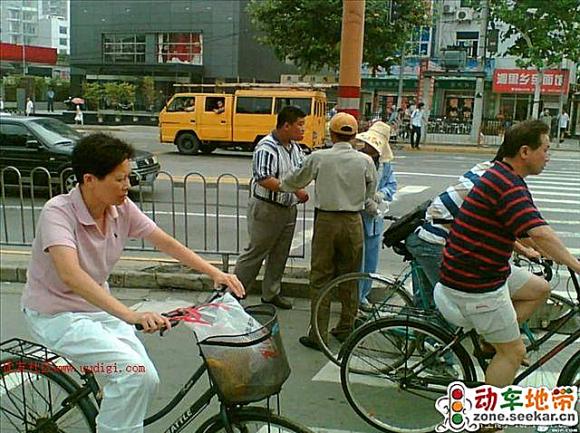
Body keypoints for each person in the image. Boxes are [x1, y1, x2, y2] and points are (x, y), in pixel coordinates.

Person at [21, 133, 245, 433]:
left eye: (128, 177)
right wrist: (131, 315)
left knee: (146, 378)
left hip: (98, 309)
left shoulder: (121, 208)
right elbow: (71, 275)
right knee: (132, 373)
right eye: (120, 179)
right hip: (57, 315)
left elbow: (164, 241)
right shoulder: (57, 213)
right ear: (89, 180)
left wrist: (214, 272)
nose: (128, 185)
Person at [434, 120, 580, 389]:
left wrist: (543, 252)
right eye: (545, 149)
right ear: (525, 152)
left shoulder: (504, 175)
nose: (548, 156)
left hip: (483, 268)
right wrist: (575, 264)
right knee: (514, 353)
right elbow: (540, 233)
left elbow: (525, 228)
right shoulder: (506, 184)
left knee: (540, 288)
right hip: (475, 282)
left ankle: (492, 340)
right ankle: (489, 414)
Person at [279, 112, 378, 349]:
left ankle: (318, 333)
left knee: (321, 277)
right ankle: (346, 327)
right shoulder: (365, 161)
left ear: (332, 134)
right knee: (350, 276)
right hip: (353, 222)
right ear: (354, 136)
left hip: (326, 221)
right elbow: (370, 194)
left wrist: (283, 184)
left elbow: (293, 181)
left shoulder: (319, 157)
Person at [405, 151, 549, 314]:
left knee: (427, 307)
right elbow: (522, 229)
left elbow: (494, 227)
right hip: (432, 242)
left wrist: (526, 250)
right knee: (458, 305)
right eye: (544, 150)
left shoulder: (486, 169)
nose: (547, 157)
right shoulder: (495, 183)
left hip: (427, 236)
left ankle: (411, 327)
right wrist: (530, 250)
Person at [234, 106, 309, 310]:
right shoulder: (266, 147)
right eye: (300, 125)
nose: (303, 129)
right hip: (267, 208)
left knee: (280, 254)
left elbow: (299, 172)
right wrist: (293, 189)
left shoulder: (295, 148)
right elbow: (264, 178)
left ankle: (271, 293)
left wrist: (298, 188)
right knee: (255, 253)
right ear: (286, 126)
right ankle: (234, 295)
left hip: (288, 208)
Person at [353, 121, 397, 311]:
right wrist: (366, 199)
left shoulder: (385, 165)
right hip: (357, 216)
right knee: (357, 261)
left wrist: (381, 195)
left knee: (371, 260)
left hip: (375, 219)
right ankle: (354, 298)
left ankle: (364, 296)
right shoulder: (357, 159)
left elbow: (392, 186)